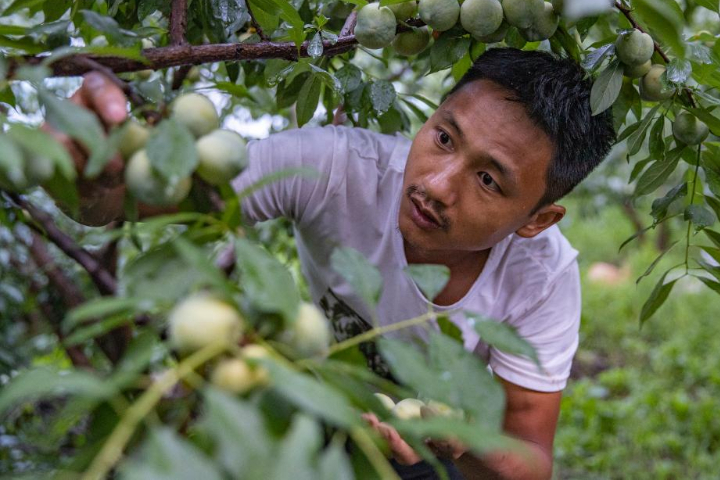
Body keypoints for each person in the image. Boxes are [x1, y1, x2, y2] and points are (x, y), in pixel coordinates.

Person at [49, 48, 615, 479]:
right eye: (444, 137)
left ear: (537, 219)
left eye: (488, 179)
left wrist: (459, 439)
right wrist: (88, 164)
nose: (436, 186)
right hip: (312, 405)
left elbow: (530, 457)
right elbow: (124, 204)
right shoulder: (335, 167)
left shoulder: (544, 278)